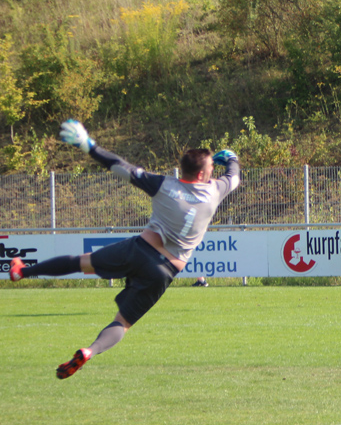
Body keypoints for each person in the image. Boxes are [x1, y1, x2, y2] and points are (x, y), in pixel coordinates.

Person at [9, 120, 240, 379]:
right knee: (122, 322)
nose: (212, 171)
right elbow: (234, 175)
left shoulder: (164, 185)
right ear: (202, 174)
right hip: (164, 271)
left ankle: (22, 272)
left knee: (80, 262)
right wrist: (230, 158)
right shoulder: (214, 191)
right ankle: (89, 351)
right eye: (210, 167)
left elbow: (120, 167)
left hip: (138, 250)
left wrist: (88, 145)